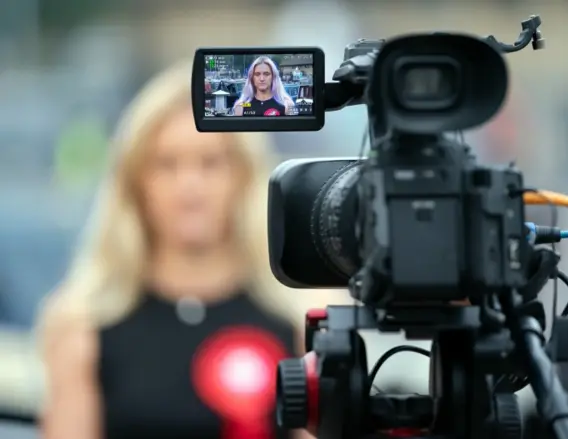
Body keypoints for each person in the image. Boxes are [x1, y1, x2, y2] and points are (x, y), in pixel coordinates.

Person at [38, 62, 345, 439]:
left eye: (210, 163)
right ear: (135, 183)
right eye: (166, 165)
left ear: (243, 177)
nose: (190, 187)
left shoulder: (301, 318)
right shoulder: (82, 326)